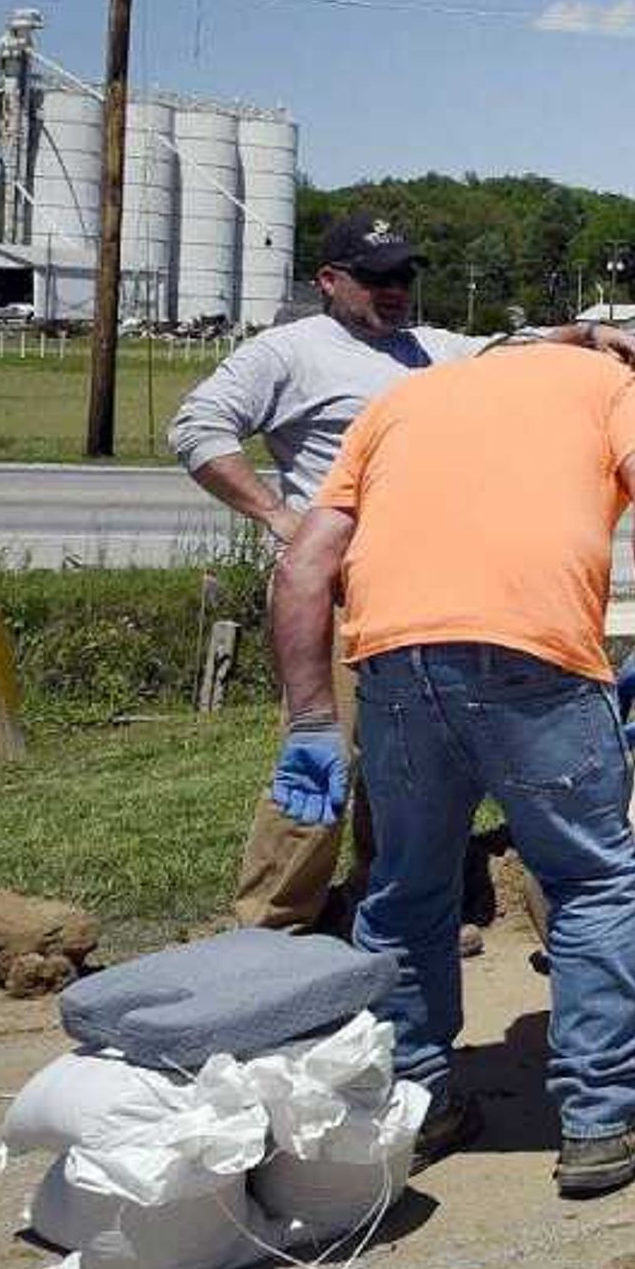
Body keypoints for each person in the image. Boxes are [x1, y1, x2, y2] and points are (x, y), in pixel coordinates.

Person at [265, 329, 635, 1197]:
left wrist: (311, 719)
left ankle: (416, 1109)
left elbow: (305, 563)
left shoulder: (404, 400)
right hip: (535, 660)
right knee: (590, 882)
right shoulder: (610, 384)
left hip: (394, 664)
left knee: (405, 891)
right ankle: (603, 1118)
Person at [170, 210, 477, 932]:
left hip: (423, 591)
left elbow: (515, 352)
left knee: (411, 758)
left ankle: (391, 905)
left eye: (404, 274)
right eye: (375, 278)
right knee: (322, 750)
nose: (394, 289)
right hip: (334, 589)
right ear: (330, 280)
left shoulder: (432, 350)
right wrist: (279, 518)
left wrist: (587, 338)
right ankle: (272, 924)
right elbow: (196, 428)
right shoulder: (286, 352)